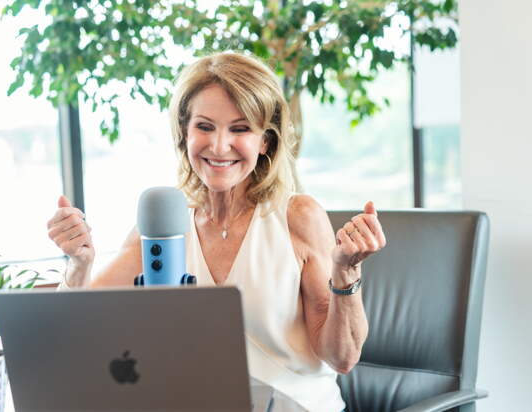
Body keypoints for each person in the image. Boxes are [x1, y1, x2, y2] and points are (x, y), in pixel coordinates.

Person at [46, 52, 386, 412]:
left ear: (265, 142)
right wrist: (79, 263)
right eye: (205, 127)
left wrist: (346, 271)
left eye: (240, 129)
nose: (219, 146)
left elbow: (342, 358)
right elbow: (79, 328)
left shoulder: (298, 216)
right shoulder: (165, 224)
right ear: (185, 133)